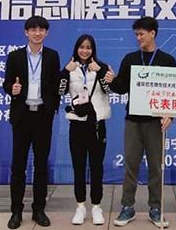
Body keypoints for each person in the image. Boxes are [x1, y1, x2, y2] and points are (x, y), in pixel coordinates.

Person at [106, 16, 176, 228]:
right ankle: (128, 206)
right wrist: (111, 81)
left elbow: (174, 92)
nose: (138, 38)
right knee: (131, 165)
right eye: (136, 34)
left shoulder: (167, 60)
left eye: (141, 34)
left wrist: (170, 115)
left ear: (152, 33)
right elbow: (121, 88)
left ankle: (156, 208)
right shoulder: (130, 58)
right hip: (133, 121)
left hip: (156, 122)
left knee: (156, 167)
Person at [2, 16, 62, 229]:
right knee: (18, 166)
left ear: (46, 33)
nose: (37, 33)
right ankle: (16, 211)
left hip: (43, 117)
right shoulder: (15, 56)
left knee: (41, 166)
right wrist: (12, 89)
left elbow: (56, 85)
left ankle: (39, 210)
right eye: (33, 29)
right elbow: (6, 83)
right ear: (26, 32)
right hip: (22, 116)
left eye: (41, 29)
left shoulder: (52, 56)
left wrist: (52, 107)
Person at [58, 35, 113, 226]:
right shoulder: (70, 68)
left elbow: (109, 90)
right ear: (76, 49)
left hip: (97, 124)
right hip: (77, 123)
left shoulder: (101, 67)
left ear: (93, 50)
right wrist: (65, 71)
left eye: (88, 47)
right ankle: (80, 206)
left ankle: (97, 206)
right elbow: (60, 91)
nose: (84, 51)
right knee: (78, 166)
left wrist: (101, 71)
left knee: (96, 167)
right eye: (81, 47)